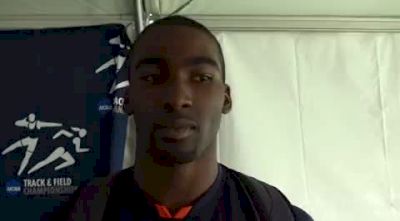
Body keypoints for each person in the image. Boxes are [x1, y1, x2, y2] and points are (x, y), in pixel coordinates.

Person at [65, 15, 313, 221]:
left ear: (225, 99)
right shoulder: (79, 214)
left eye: (201, 78)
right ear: (127, 98)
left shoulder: (275, 214)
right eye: (152, 77)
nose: (177, 97)